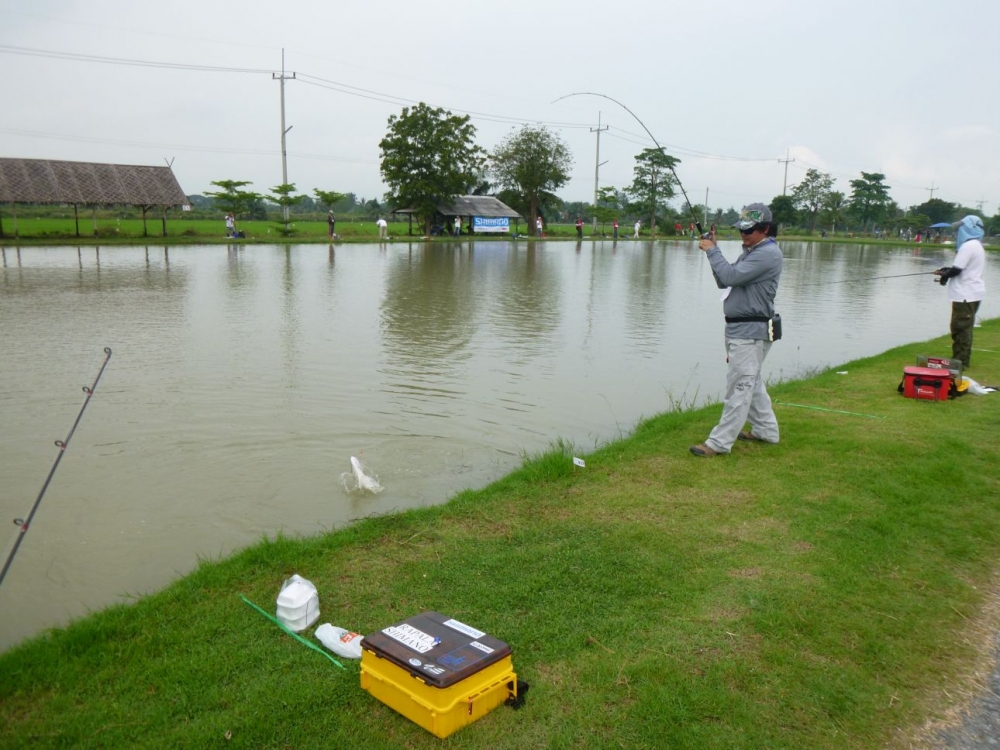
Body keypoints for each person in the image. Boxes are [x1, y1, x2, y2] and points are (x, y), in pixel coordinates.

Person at [690, 202, 783, 458]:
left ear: (765, 229)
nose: (744, 234)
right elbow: (725, 279)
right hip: (741, 330)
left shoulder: (767, 253)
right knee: (751, 383)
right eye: (741, 229)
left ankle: (718, 443)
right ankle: (766, 430)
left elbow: (729, 277)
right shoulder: (752, 251)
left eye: (749, 229)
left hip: (750, 333)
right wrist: (714, 251)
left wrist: (712, 251)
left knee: (739, 387)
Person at [934, 215, 986, 368]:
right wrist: (945, 271)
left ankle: (960, 362)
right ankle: (961, 360)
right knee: (964, 327)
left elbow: (956, 270)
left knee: (960, 328)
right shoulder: (976, 245)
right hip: (972, 293)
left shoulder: (968, 246)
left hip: (965, 294)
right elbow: (959, 268)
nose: (959, 231)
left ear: (970, 228)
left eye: (961, 228)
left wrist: (945, 276)